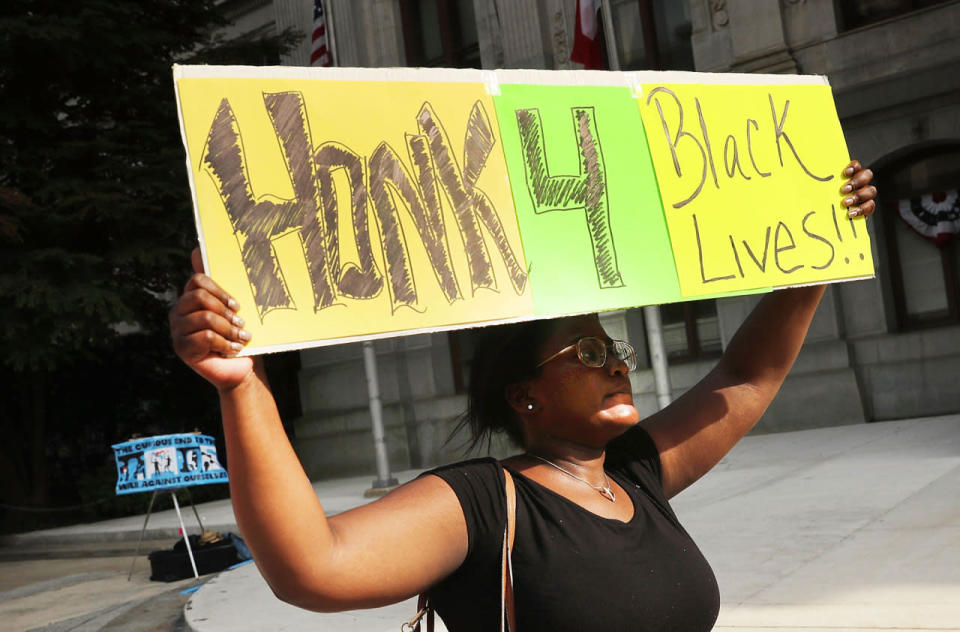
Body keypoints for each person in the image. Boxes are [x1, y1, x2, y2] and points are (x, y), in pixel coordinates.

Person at [169, 161, 876, 631]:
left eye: (616, 350)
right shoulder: (483, 503)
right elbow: (312, 568)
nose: (616, 366)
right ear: (524, 395)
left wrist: (814, 257)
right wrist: (243, 386)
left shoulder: (634, 473)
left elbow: (744, 380)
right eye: (588, 354)